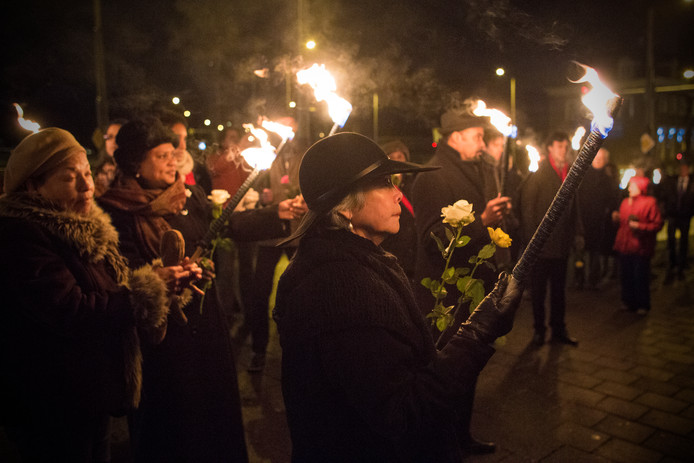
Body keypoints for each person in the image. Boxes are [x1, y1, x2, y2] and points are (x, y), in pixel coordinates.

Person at [273, 132, 523, 462]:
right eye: (384, 183)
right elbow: (403, 413)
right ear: (345, 206)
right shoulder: (342, 292)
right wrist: (478, 334)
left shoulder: (353, 264)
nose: (397, 193)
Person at [98, 117, 303, 462]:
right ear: (135, 164)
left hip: (205, 326)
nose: (172, 161)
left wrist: (277, 212)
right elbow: (118, 273)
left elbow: (229, 225)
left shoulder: (189, 195)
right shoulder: (116, 211)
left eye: (172, 153)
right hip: (161, 340)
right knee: (174, 427)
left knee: (213, 417)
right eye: (161, 156)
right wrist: (159, 277)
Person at [0, 128, 195, 462]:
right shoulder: (22, 235)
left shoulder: (85, 226)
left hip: (91, 394)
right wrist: (150, 288)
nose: (87, 186)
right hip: (53, 401)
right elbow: (73, 309)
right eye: (69, 178)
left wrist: (168, 281)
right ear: (33, 186)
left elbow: (110, 289)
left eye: (87, 173)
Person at [410, 106, 513, 455]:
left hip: (470, 289)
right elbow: (431, 238)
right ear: (456, 137)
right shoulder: (431, 175)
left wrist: (494, 222)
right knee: (445, 372)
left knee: (465, 369)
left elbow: (479, 230)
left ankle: (460, 435)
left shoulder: (474, 170)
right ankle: (441, 442)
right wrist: (481, 219)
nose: (483, 144)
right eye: (478, 137)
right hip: (445, 294)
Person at [245, 116, 306, 372]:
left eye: (292, 127)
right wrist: (263, 198)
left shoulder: (306, 156)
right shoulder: (266, 156)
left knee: (300, 294)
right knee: (260, 293)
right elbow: (252, 192)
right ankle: (259, 350)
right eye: (285, 126)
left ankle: (299, 349)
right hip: (270, 234)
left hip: (297, 232)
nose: (288, 132)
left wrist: (305, 199)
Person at [518, 131, 581, 347]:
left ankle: (558, 328)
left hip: (562, 245)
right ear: (550, 149)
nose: (564, 150)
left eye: (566, 146)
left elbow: (575, 207)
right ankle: (539, 330)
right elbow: (528, 209)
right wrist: (532, 241)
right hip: (542, 247)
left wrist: (577, 233)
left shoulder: (570, 173)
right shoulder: (540, 174)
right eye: (560, 146)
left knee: (558, 291)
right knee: (538, 291)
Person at [613, 176, 663, 314]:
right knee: (626, 275)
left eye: (632, 186)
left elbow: (657, 224)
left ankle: (642, 304)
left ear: (641, 188)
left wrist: (640, 226)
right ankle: (628, 301)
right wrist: (616, 218)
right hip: (625, 246)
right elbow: (623, 224)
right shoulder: (624, 202)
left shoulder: (650, 203)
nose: (629, 188)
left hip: (640, 246)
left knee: (640, 276)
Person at [576, 148, 620, 289]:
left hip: (599, 222)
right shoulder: (583, 176)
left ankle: (593, 279)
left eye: (601, 158)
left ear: (606, 161)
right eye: (596, 157)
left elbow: (613, 199)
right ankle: (579, 278)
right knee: (580, 253)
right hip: (583, 220)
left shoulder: (608, 180)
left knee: (595, 253)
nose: (598, 160)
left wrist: (610, 212)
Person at [379, 139, 419, 283]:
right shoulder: (381, 186)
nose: (396, 161)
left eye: (400, 157)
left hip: (413, 252)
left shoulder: (415, 183)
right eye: (392, 157)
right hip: (392, 249)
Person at [660, 159, 694, 282]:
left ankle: (682, 264)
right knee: (671, 240)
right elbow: (666, 194)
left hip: (685, 216)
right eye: (681, 168)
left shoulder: (691, 182)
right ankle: (672, 262)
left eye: (685, 168)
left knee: (684, 241)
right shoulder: (672, 181)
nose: (683, 170)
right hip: (673, 216)